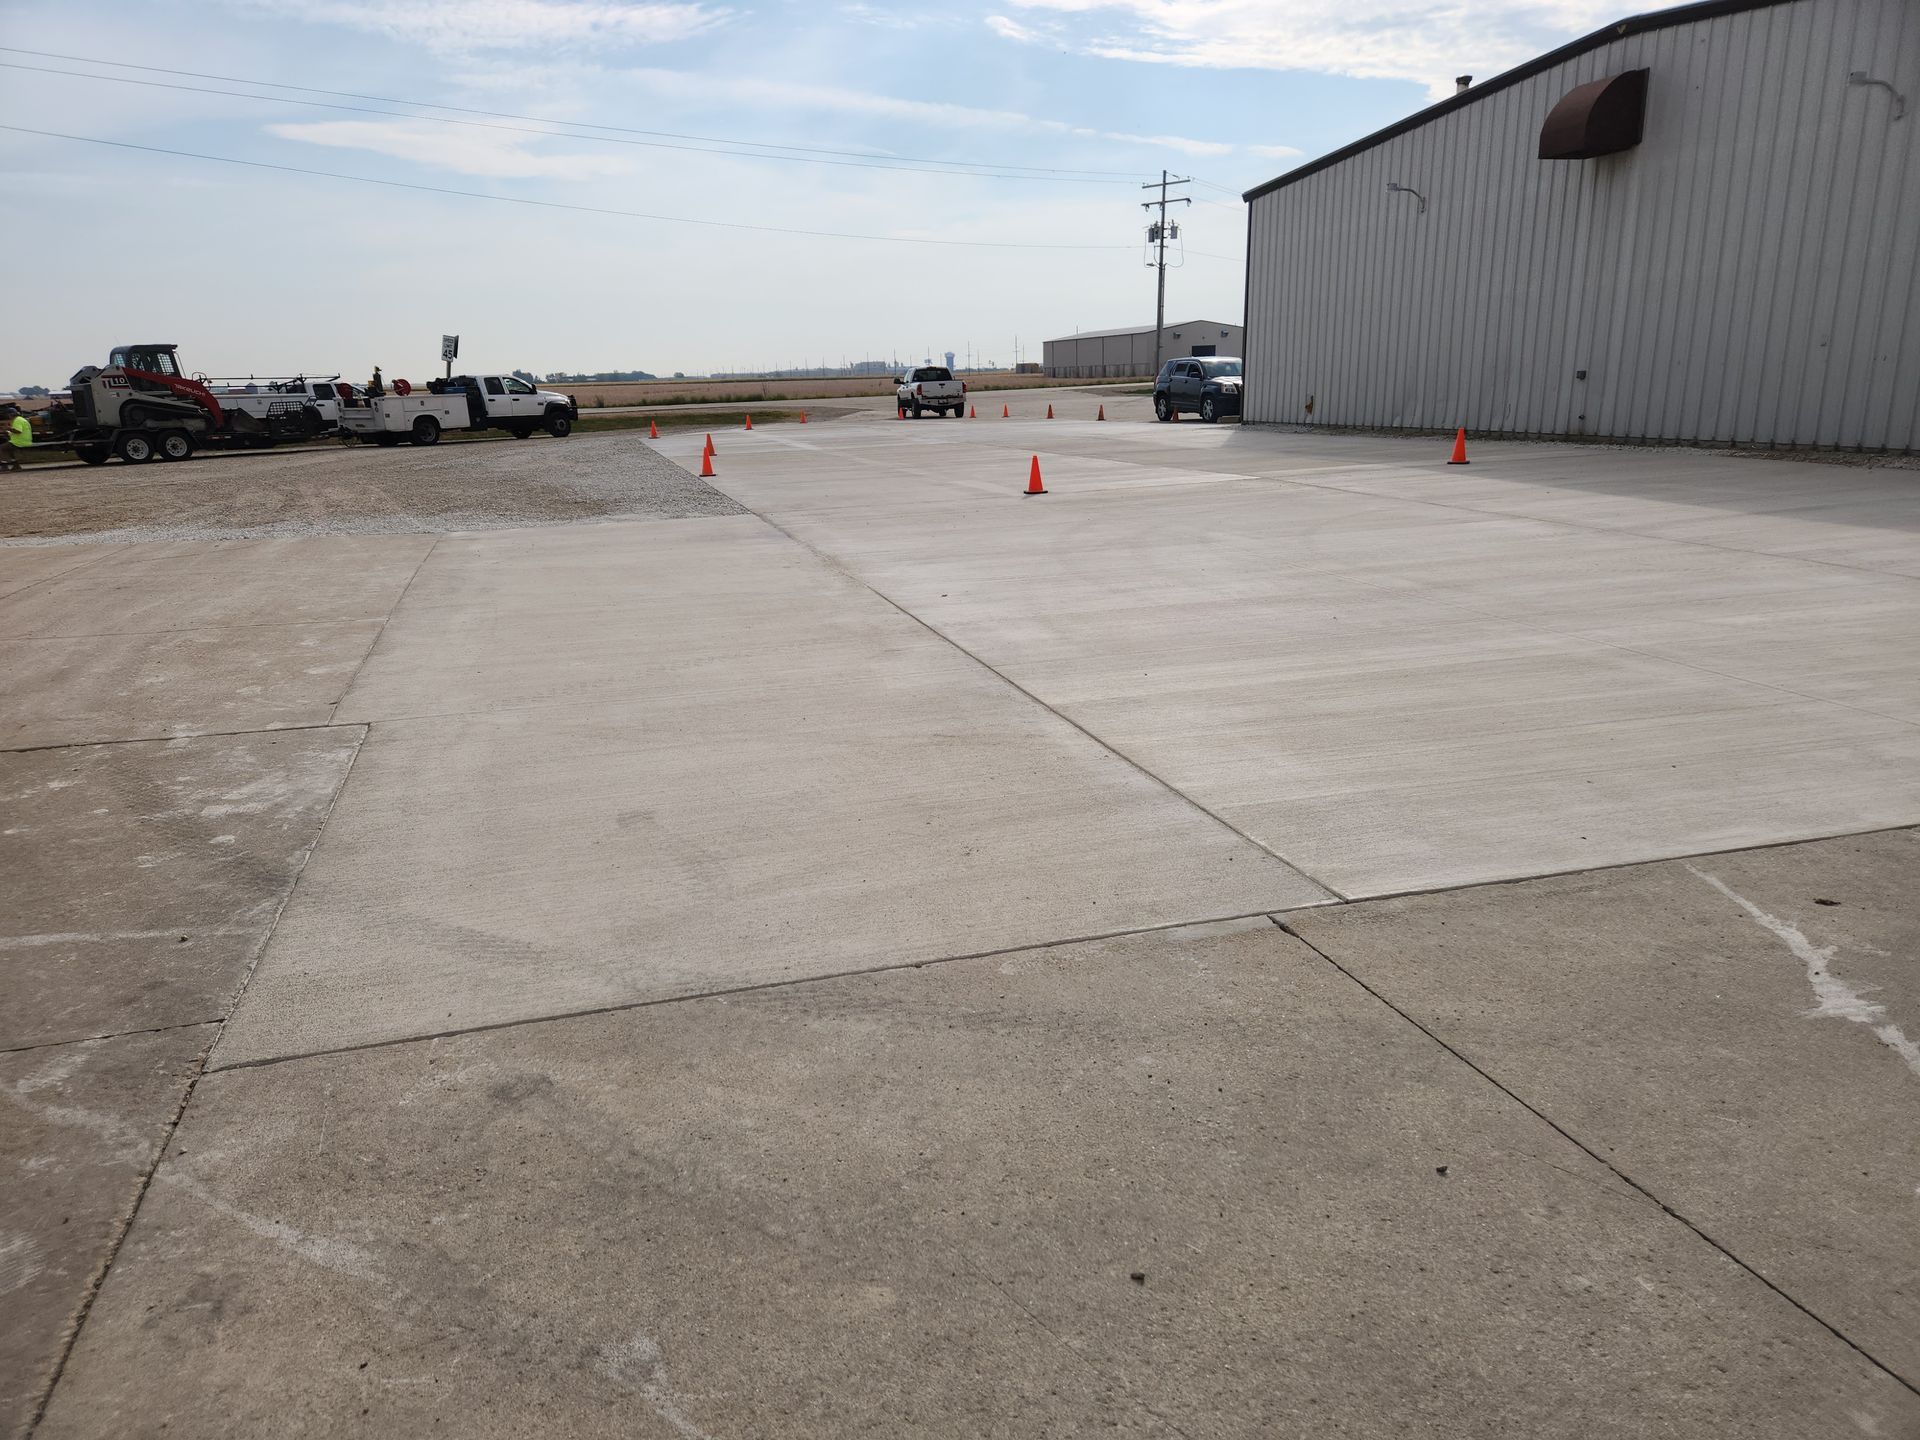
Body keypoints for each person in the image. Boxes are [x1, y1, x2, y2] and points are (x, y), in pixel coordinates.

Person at [2, 405, 30, 472]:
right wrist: (8, 432)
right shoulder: (21, 419)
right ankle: (16, 466)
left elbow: (18, 431)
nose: (8, 416)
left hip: (20, 441)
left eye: (8, 415)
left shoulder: (17, 420)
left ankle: (4, 467)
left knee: (1, 448)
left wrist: (9, 428)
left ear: (10, 414)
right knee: (9, 449)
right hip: (24, 440)